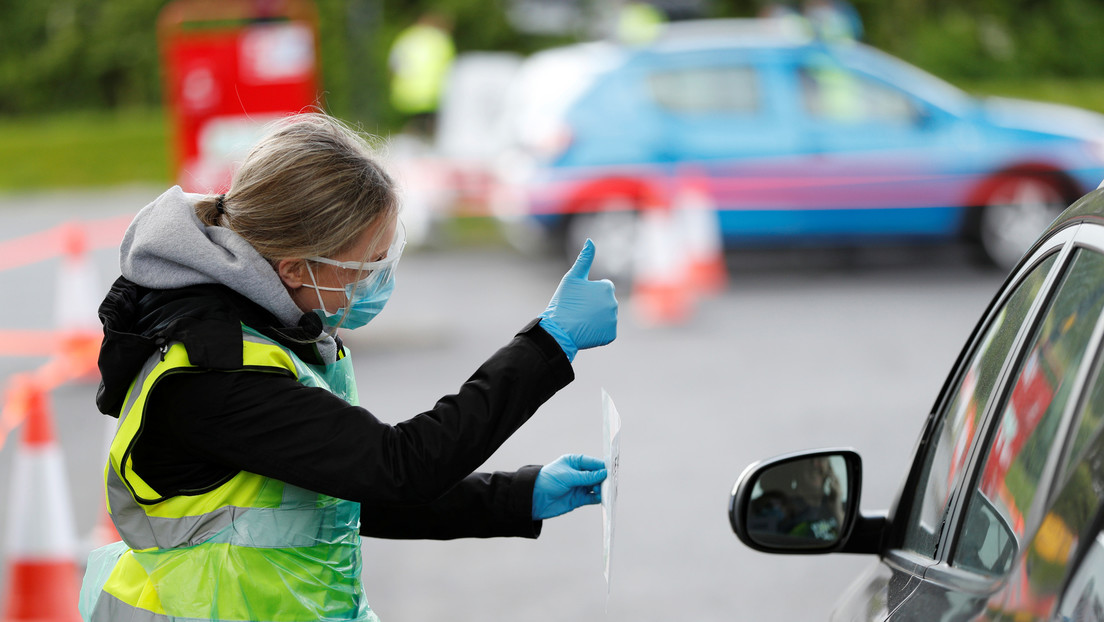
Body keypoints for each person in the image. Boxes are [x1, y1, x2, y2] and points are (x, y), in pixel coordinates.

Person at [78, 112, 618, 621]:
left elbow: (345, 492)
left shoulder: (261, 327)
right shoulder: (215, 370)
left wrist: (520, 496)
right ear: (293, 268)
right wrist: (551, 342)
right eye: (362, 267)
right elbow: (397, 468)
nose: (372, 282)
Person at [388, 13, 455, 138]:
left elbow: (394, 64)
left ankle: (412, 143)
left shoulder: (406, 37)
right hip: (433, 93)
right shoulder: (441, 39)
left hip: (405, 92)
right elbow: (450, 68)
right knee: (432, 127)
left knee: (416, 124)